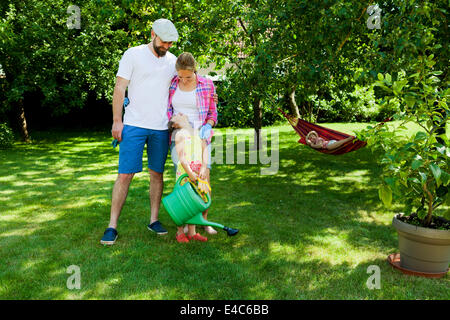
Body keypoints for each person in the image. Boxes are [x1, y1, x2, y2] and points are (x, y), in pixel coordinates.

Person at [100, 19, 180, 245]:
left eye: (170, 43)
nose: (166, 46)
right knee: (125, 174)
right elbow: (119, 87)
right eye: (164, 42)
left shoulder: (172, 61)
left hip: (161, 127)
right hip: (134, 124)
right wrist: (117, 120)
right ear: (153, 33)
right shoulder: (132, 54)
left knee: (157, 174)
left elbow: (184, 85)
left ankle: (154, 220)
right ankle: (112, 225)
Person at [167, 52, 218, 236]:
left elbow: (213, 113)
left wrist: (208, 126)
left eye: (187, 76)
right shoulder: (173, 84)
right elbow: (166, 108)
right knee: (185, 179)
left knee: (204, 179)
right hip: (180, 137)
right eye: (180, 76)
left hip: (201, 138)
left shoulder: (207, 85)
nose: (184, 80)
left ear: (195, 70)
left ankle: (204, 222)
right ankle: (187, 222)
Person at [169, 114, 211, 243]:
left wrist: (204, 168)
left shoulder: (199, 132)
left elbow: (205, 151)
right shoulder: (179, 134)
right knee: (183, 202)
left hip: (198, 173)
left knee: (194, 201)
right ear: (174, 125)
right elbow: (181, 158)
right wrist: (190, 173)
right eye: (175, 116)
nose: (179, 114)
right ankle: (180, 232)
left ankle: (192, 233)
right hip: (185, 174)